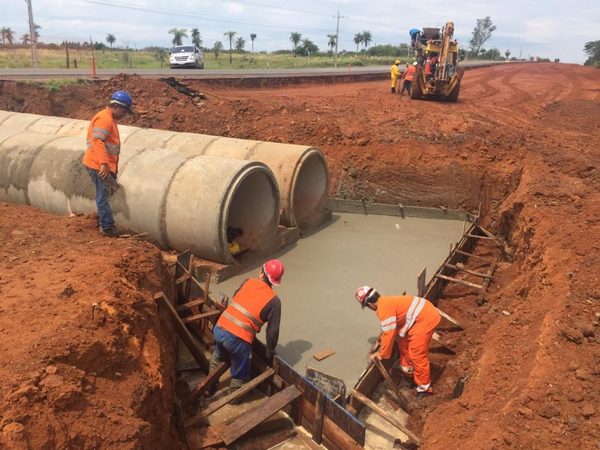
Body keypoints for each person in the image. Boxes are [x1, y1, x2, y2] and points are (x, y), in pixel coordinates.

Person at [207, 259, 285, 396]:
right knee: (240, 374)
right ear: (276, 281)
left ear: (261, 273)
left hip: (219, 328)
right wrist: (269, 353)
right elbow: (272, 332)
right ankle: (234, 400)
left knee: (218, 357)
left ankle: (209, 388)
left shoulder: (247, 281)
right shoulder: (274, 301)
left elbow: (236, 298)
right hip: (237, 340)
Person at [355, 286, 441, 397]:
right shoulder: (385, 301)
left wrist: (381, 354)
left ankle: (425, 388)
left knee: (417, 355)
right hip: (419, 316)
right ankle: (409, 372)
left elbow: (389, 334)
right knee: (402, 344)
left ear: (370, 305)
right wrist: (381, 339)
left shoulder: (383, 310)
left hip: (425, 319)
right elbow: (388, 329)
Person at [82, 91, 133, 237]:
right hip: (98, 164)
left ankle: (107, 222)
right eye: (124, 111)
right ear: (116, 106)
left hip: (101, 164)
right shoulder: (105, 119)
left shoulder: (109, 118)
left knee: (106, 193)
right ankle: (107, 227)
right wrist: (103, 164)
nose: (124, 114)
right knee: (103, 195)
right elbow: (98, 142)